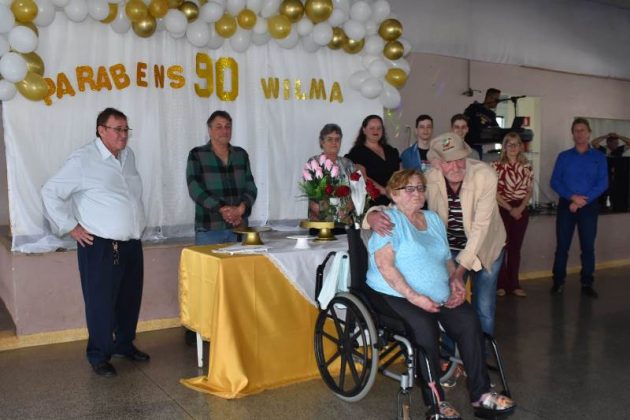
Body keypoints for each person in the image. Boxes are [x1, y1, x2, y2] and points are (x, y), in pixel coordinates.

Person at [367, 169, 515, 419]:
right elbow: (385, 266)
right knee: (425, 326)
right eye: (409, 189)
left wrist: (455, 281)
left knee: (468, 319)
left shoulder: (433, 219)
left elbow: (446, 258)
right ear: (394, 194)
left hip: (437, 293)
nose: (417, 193)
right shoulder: (388, 220)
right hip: (395, 293)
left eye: (420, 188)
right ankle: (436, 403)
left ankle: (481, 395)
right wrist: (415, 297)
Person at [41, 108, 149, 377]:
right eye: (117, 129)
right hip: (100, 246)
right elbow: (50, 191)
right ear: (101, 130)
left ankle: (124, 344)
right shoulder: (83, 159)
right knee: (100, 302)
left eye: (126, 129)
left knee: (129, 299)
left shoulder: (128, 156)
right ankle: (99, 355)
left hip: (131, 243)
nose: (123, 135)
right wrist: (71, 227)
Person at [365, 133, 506, 338]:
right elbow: (402, 204)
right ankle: (449, 354)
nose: (455, 166)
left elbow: (480, 228)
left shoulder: (485, 176)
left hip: (485, 247)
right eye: (448, 161)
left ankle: (481, 351)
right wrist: (372, 216)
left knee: (484, 307)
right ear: (437, 163)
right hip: (450, 247)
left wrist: (458, 272)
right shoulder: (430, 178)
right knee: (448, 300)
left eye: (460, 159)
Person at [550, 118, 607, 298]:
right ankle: (558, 281)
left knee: (588, 247)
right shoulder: (564, 156)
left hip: (589, 206)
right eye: (576, 130)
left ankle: (587, 283)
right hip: (566, 206)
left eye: (583, 130)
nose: (579, 133)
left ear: (589, 133)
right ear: (572, 134)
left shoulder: (599, 157)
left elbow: (603, 183)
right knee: (562, 246)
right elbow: (555, 181)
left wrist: (582, 201)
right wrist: (572, 198)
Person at [186, 110, 258, 246]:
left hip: (239, 228)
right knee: (207, 262)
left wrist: (241, 209)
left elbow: (251, 187)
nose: (224, 131)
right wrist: (221, 208)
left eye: (228, 127)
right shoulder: (197, 154)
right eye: (219, 127)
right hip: (209, 229)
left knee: (242, 261)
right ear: (210, 130)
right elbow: (194, 189)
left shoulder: (241, 154)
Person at [491, 133, 533, 297]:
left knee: (515, 248)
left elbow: (529, 191)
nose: (513, 147)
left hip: (521, 210)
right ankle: (501, 284)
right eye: (510, 144)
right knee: (501, 247)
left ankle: (514, 284)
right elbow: (494, 192)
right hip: (503, 208)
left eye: (516, 144)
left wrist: (520, 208)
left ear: (521, 147)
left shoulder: (527, 166)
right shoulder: (495, 166)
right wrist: (510, 209)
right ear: (504, 147)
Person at [306, 123, 356, 225]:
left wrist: (346, 210)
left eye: (337, 139)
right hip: (320, 222)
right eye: (330, 139)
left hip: (345, 221)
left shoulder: (348, 164)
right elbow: (313, 196)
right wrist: (332, 214)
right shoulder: (314, 162)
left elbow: (356, 193)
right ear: (322, 142)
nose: (334, 143)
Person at [346, 115, 400, 206]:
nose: (376, 131)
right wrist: (385, 192)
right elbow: (363, 177)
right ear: (364, 130)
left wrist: (398, 193)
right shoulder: (357, 152)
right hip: (373, 202)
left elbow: (401, 174)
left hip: (396, 200)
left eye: (379, 128)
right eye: (372, 128)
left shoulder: (391, 150)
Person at [464, 88, 501, 159]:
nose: (498, 102)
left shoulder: (491, 114)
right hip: (466, 144)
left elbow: (497, 130)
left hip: (478, 146)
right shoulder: (474, 107)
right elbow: (463, 121)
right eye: (497, 100)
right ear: (489, 98)